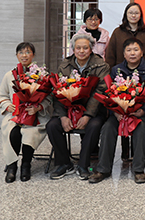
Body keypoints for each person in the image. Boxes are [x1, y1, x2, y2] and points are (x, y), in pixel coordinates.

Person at [89, 38, 145, 184]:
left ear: (142, 53)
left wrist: (143, 111)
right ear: (124, 54)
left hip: (140, 114)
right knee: (107, 128)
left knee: (141, 128)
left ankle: (139, 170)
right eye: (129, 50)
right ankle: (103, 169)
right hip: (119, 114)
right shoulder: (116, 70)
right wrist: (115, 112)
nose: (132, 53)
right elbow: (109, 94)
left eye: (136, 50)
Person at [47, 33, 109, 180]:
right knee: (52, 126)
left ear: (91, 49)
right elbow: (57, 92)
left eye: (85, 48)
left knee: (94, 126)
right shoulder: (64, 66)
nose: (81, 51)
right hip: (69, 109)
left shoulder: (101, 66)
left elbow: (99, 92)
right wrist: (63, 116)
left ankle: (83, 164)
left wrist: (87, 115)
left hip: (92, 110)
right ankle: (63, 163)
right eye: (78, 48)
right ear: (73, 49)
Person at [0, 42, 53, 183]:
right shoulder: (9, 75)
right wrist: (7, 105)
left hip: (35, 115)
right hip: (14, 114)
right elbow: (1, 95)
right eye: (21, 52)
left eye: (28, 52)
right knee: (13, 131)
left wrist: (38, 107)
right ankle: (12, 165)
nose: (24, 55)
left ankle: (26, 165)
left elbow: (50, 97)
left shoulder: (41, 75)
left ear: (33, 55)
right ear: (16, 55)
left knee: (30, 133)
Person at [105, 2, 145, 69]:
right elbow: (110, 55)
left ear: (140, 15)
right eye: (130, 13)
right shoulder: (117, 32)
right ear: (126, 14)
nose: (133, 15)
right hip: (121, 71)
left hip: (143, 71)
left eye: (136, 13)